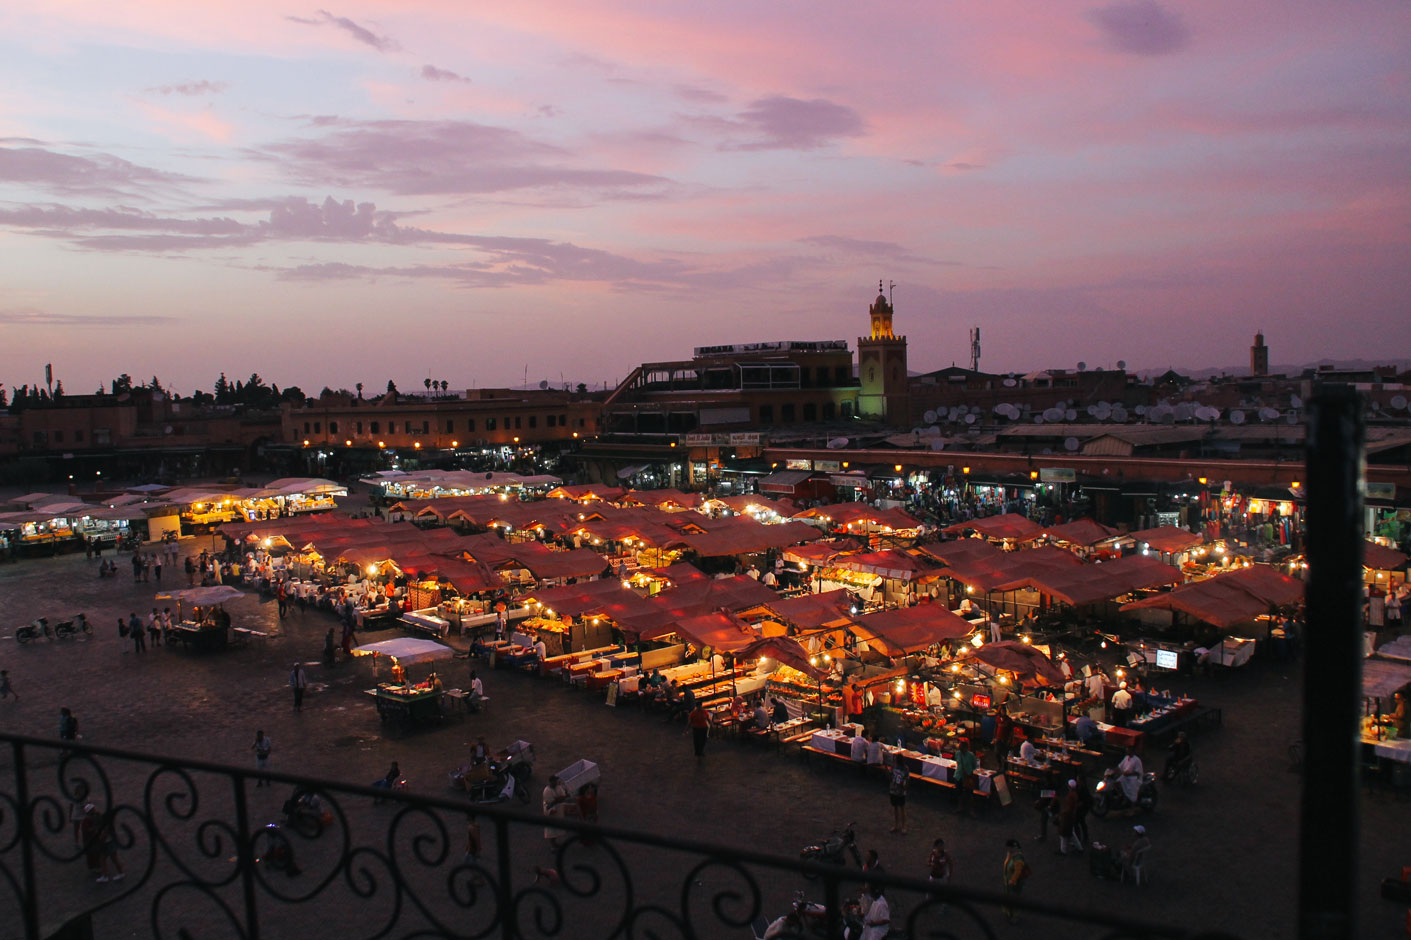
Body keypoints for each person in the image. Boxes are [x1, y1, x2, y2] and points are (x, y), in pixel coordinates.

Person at [1002, 838, 1031, 924]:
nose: (1007, 849)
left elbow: (1017, 872)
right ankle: (1009, 912)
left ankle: (1014, 916)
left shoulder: (1018, 859)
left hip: (1014, 883)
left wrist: (1012, 881)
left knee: (1014, 899)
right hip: (1009, 881)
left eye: (1008, 847)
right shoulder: (1011, 855)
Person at [542, 774, 570, 849]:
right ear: (551, 782)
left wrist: (562, 797)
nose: (556, 782)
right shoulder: (547, 791)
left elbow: (562, 796)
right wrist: (561, 798)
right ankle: (553, 846)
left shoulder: (558, 787)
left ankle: (555, 843)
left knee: (557, 829)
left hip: (559, 812)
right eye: (554, 781)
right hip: (551, 812)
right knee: (551, 830)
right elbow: (552, 802)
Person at [954, 739, 978, 818]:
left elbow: (974, 765)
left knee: (970, 794)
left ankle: (971, 810)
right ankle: (960, 807)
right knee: (959, 792)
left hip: (968, 777)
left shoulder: (971, 755)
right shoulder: (957, 754)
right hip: (959, 776)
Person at [1057, 779, 1081, 854]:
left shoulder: (1071, 795)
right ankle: (1079, 848)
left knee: (1064, 833)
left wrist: (1062, 813)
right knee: (1071, 833)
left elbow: (1068, 808)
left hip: (1067, 816)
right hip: (1071, 816)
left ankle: (1063, 850)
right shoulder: (1074, 794)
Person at [887, 759, 909, 834]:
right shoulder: (903, 768)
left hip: (897, 790)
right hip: (896, 790)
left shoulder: (903, 768)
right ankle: (899, 826)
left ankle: (902, 826)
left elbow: (906, 780)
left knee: (900, 808)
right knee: (898, 808)